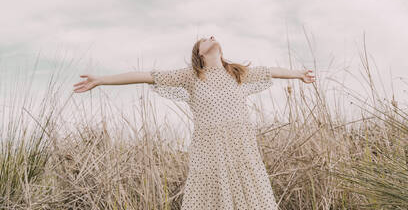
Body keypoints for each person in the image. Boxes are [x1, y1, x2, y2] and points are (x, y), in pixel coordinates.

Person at [73, 35, 315, 209]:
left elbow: (271, 71)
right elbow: (144, 75)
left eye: (212, 37)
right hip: (209, 149)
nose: (211, 37)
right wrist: (101, 80)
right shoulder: (191, 76)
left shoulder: (237, 73)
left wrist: (300, 74)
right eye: (204, 40)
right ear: (199, 53)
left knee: (250, 195)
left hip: (241, 147)